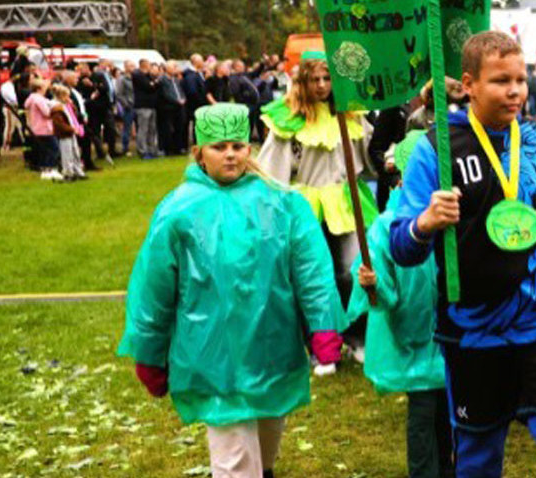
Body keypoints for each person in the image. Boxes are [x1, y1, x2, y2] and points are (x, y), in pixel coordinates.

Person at [388, 32, 536, 477]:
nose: (514, 91)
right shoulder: (436, 148)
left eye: (520, 79)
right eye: (500, 81)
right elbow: (402, 246)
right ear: (470, 84)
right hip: (472, 331)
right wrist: (426, 223)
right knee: (478, 453)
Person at [118, 103, 344, 478]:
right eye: (219, 146)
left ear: (249, 149)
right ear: (199, 153)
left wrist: (323, 324)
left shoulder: (282, 204)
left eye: (237, 146)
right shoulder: (179, 212)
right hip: (212, 356)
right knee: (236, 463)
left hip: (271, 347)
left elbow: (311, 271)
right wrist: (150, 352)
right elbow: (155, 289)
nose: (230, 154)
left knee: (266, 448)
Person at [256, 52, 376, 368]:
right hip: (306, 203)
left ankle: (357, 336)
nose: (322, 86)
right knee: (312, 276)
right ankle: (319, 343)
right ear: (303, 82)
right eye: (315, 79)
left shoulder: (350, 114)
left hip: (347, 201)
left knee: (354, 270)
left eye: (327, 79)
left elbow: (369, 158)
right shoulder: (289, 118)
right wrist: (275, 204)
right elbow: (273, 168)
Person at [347, 130, 454, 478]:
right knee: (424, 409)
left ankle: (450, 467)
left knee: (447, 409)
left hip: (453, 331)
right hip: (414, 336)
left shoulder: (455, 220)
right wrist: (373, 284)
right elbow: (384, 296)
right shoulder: (385, 227)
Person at [24, 76, 62, 180]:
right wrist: (56, 110)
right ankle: (51, 169)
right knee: (54, 149)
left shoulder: (32, 99)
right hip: (44, 129)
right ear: (39, 88)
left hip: (36, 128)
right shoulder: (38, 100)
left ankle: (45, 170)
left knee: (44, 151)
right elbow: (47, 113)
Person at [49, 84, 86, 181]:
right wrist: (70, 129)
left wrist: (72, 105)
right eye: (66, 96)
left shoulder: (66, 106)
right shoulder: (56, 108)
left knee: (75, 152)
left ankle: (78, 170)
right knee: (67, 154)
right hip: (65, 134)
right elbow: (59, 124)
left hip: (71, 132)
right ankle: (68, 173)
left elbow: (73, 115)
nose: (68, 98)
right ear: (60, 96)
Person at [132, 59, 160, 158]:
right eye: (149, 65)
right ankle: (142, 150)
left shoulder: (148, 76)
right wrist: (154, 83)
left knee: (152, 129)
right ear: (144, 65)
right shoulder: (137, 75)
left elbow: (154, 85)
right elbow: (148, 86)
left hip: (152, 105)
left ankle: (152, 149)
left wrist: (154, 83)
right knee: (143, 129)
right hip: (143, 106)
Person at [116, 62, 136, 156]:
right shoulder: (122, 79)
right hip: (128, 106)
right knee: (127, 128)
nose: (133, 67)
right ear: (126, 67)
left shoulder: (135, 78)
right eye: (131, 66)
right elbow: (119, 94)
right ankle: (125, 147)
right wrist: (126, 104)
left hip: (137, 105)